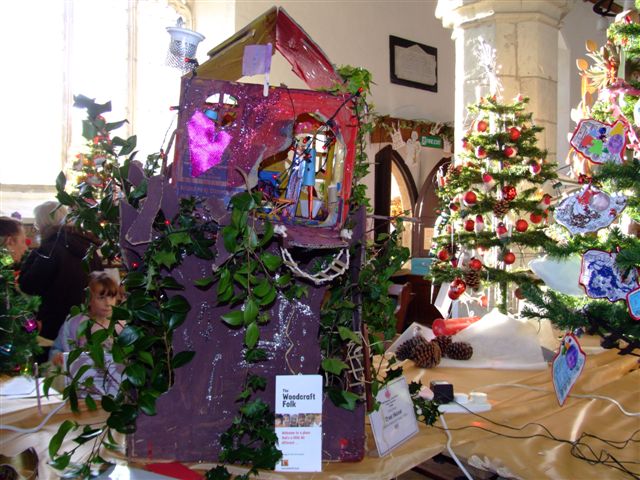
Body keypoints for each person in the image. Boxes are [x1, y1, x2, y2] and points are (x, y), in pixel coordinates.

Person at [19, 207, 102, 342]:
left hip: (54, 323)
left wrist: (32, 256)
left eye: (37, 224)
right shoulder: (88, 246)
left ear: (42, 224)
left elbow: (28, 285)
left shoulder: (50, 249)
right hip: (86, 322)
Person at [49, 271, 120, 365]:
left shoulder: (123, 325)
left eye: (111, 297)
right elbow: (57, 349)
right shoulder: (74, 324)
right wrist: (57, 357)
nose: (108, 303)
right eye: (101, 297)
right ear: (89, 300)